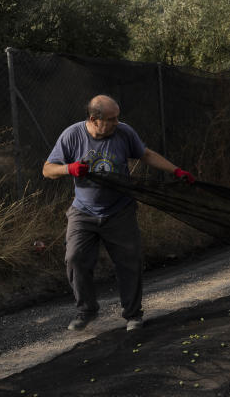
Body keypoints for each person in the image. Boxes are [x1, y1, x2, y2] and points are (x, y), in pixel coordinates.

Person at [43, 94, 195, 332]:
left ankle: (133, 314)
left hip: (119, 211)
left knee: (130, 262)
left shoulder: (124, 132)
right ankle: (87, 310)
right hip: (83, 211)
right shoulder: (72, 135)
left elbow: (146, 154)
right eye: (112, 119)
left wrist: (175, 171)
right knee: (75, 258)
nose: (117, 122)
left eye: (117, 118)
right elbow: (47, 170)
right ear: (94, 119)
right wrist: (68, 168)